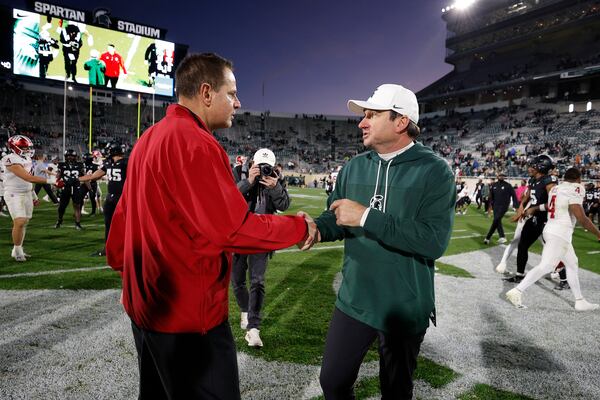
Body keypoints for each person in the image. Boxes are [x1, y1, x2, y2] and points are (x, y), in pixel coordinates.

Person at [105, 53, 312, 400]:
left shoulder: (148, 139)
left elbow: (122, 220)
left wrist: (128, 270)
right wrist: (301, 228)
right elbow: (232, 229)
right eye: (231, 94)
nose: (237, 102)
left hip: (144, 305)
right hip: (188, 318)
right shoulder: (196, 143)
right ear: (206, 93)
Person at [302, 84, 455, 400]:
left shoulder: (435, 170)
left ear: (400, 122)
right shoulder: (355, 166)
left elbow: (433, 240)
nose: (362, 122)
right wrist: (318, 228)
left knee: (396, 392)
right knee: (332, 382)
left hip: (404, 304)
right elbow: (338, 216)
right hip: (355, 298)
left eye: (372, 114)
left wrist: (366, 217)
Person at [506, 167, 600, 311]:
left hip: (550, 229)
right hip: (560, 233)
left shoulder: (557, 188)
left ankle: (579, 301)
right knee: (547, 266)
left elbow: (550, 206)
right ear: (578, 179)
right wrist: (598, 234)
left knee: (572, 263)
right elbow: (582, 218)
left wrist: (535, 208)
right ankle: (517, 291)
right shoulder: (576, 188)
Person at [231, 148, 291, 347]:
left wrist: (275, 187)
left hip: (263, 235)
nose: (264, 170)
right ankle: (246, 310)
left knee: (257, 281)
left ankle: (253, 328)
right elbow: (229, 198)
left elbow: (284, 205)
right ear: (253, 164)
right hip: (240, 234)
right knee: (238, 281)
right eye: (260, 166)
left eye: (268, 167)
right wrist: (249, 181)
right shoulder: (240, 173)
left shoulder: (275, 178)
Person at [504, 155, 558, 283]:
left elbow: (553, 204)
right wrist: (521, 208)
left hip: (547, 219)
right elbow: (527, 197)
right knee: (522, 245)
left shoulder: (549, 181)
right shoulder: (533, 180)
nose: (529, 168)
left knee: (555, 249)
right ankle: (520, 274)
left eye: (532, 165)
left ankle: (563, 277)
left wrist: (534, 209)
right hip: (534, 218)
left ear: (541, 167)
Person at [2, 135, 56, 261]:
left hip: (26, 192)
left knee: (24, 222)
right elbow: (28, 177)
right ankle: (17, 249)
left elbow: (28, 181)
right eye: (23, 147)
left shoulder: (26, 158)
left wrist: (33, 194)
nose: (27, 150)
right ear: (14, 147)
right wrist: (51, 181)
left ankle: (17, 249)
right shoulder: (9, 159)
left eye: (28, 147)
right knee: (19, 221)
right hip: (13, 193)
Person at [79, 143, 128, 256]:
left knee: (124, 225)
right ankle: (108, 248)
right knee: (108, 224)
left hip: (123, 197)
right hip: (111, 198)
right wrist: (77, 179)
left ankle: (127, 248)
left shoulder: (127, 162)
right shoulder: (109, 163)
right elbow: (94, 176)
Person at [55, 149, 85, 230]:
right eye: (68, 156)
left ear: (75, 157)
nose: (70, 157)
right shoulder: (61, 165)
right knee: (62, 206)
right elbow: (58, 176)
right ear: (65, 157)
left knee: (77, 206)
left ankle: (78, 224)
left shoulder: (80, 165)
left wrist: (89, 187)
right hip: (65, 187)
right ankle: (59, 220)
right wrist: (55, 186)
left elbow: (84, 176)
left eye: (71, 156)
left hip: (76, 188)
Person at [483, 173, 518, 245]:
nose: (501, 177)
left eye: (503, 176)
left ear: (504, 177)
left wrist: (515, 205)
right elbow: (491, 197)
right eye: (500, 175)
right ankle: (502, 237)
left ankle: (488, 237)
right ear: (497, 176)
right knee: (497, 221)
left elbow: (514, 195)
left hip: (504, 206)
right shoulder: (494, 185)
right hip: (495, 206)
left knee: (496, 220)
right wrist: (490, 207)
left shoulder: (508, 185)